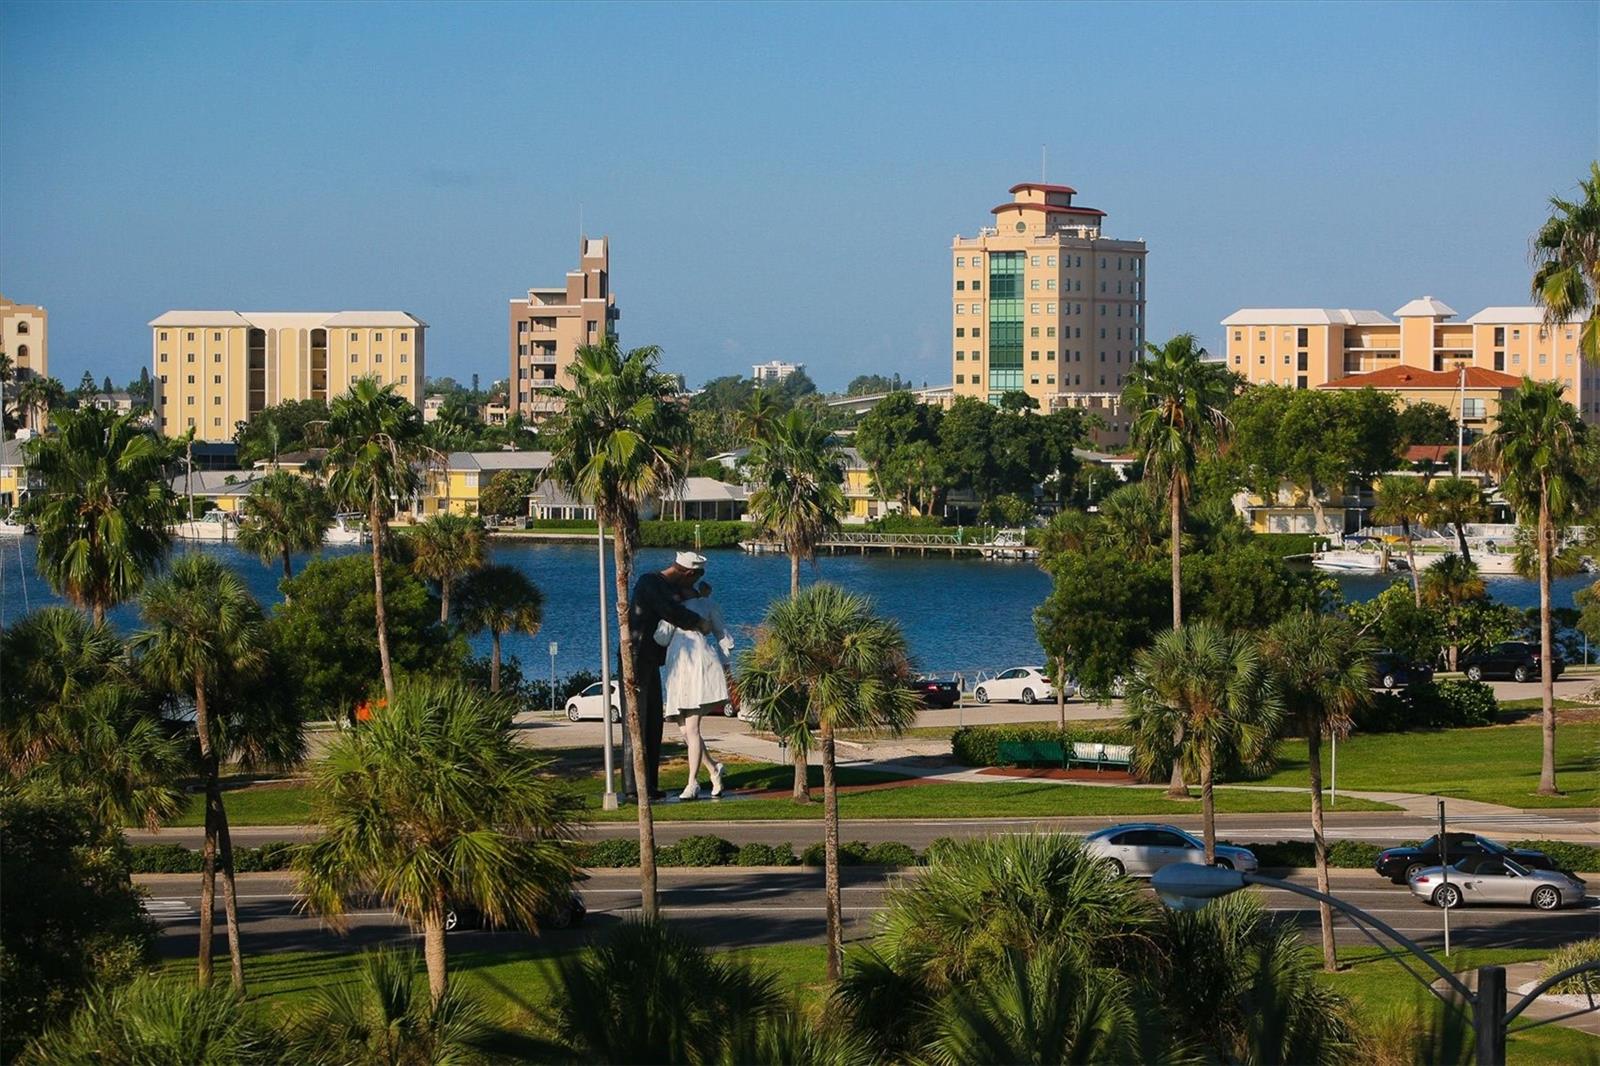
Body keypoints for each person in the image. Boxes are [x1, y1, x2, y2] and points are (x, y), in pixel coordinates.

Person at [621, 551, 710, 802]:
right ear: (688, 573)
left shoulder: (666, 586)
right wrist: (699, 622)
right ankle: (632, 787)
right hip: (635, 657)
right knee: (636, 723)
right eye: (692, 581)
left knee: (653, 724)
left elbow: (679, 599)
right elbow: (671, 610)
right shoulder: (650, 583)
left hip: (649, 658)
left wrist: (699, 596)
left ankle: (649, 784)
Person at [658, 580, 732, 799]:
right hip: (680, 674)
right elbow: (661, 638)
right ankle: (713, 769)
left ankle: (692, 783)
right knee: (686, 733)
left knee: (691, 731)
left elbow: (661, 638)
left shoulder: (696, 607)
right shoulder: (682, 610)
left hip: (697, 671)